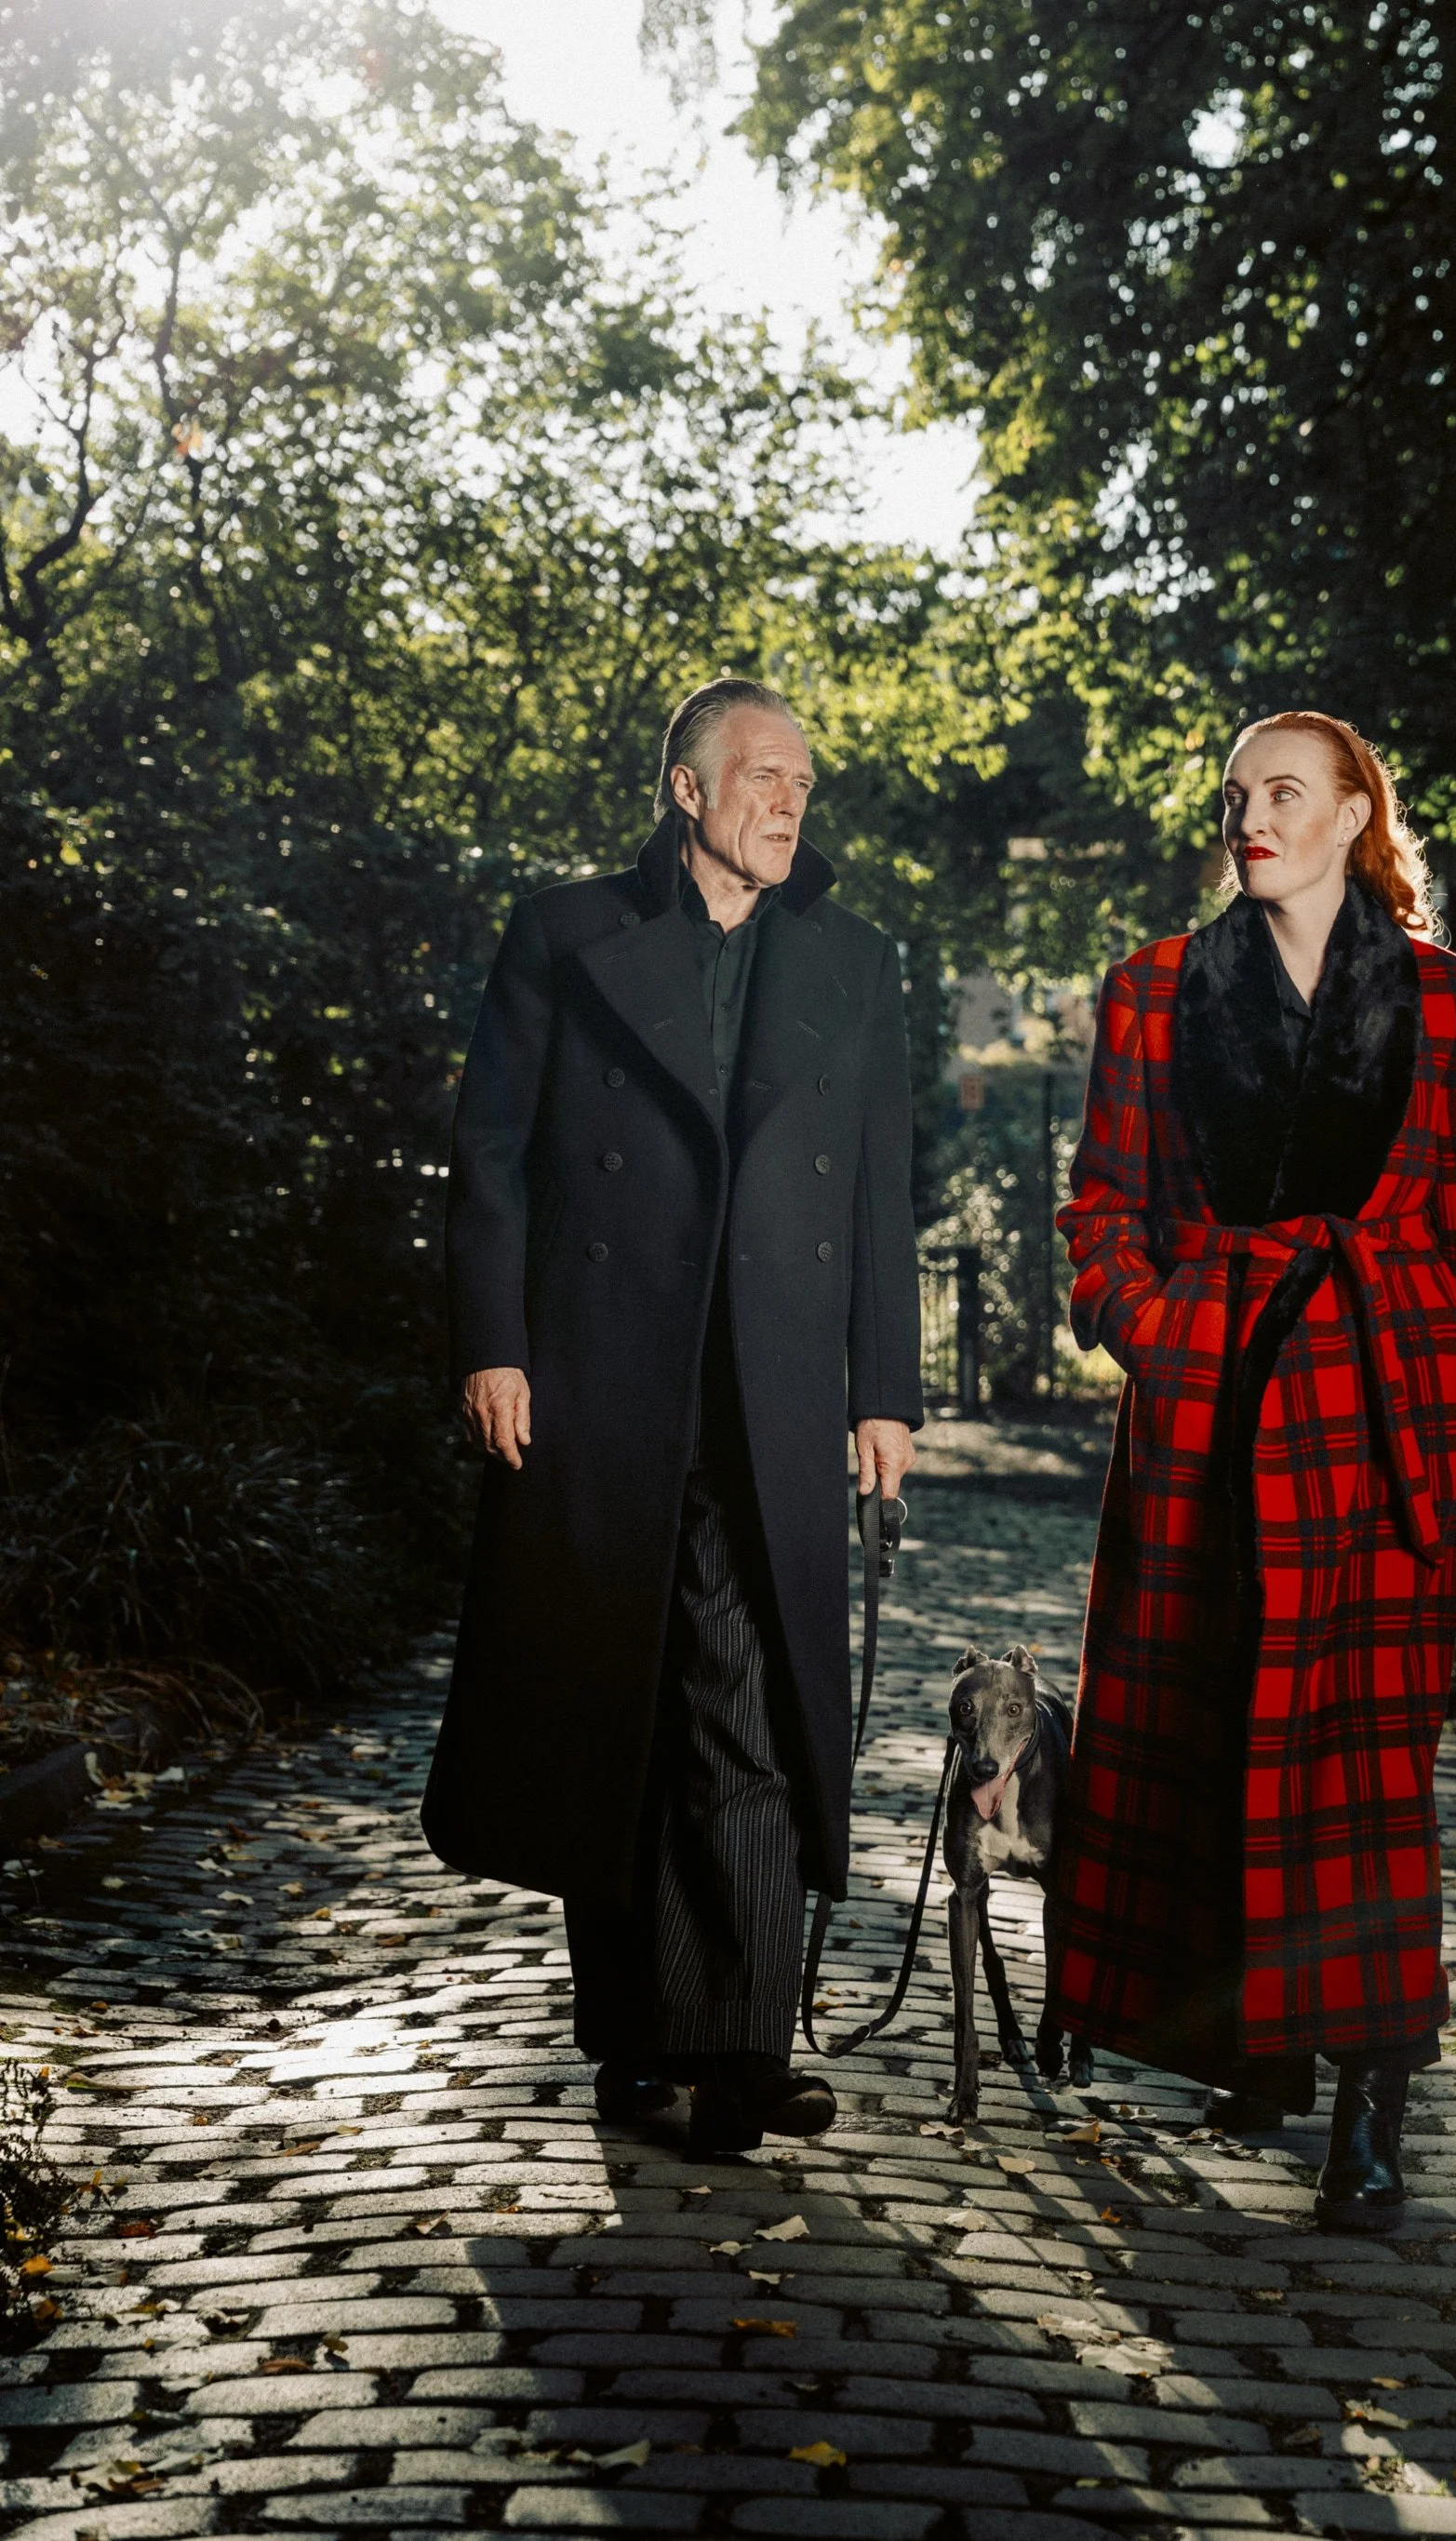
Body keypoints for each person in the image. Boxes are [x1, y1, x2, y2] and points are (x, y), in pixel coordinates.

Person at [421, 678, 921, 2156]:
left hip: (768, 1391)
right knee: (614, 1709)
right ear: (688, 790)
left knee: (747, 1702)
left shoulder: (852, 958)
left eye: (805, 782)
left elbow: (882, 1194)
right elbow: (492, 1154)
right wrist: (492, 1344)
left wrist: (883, 1388)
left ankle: (743, 2041)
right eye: (763, 774)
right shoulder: (567, 934)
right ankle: (640, 2045)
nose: (790, 801)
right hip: (597, 1379)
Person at [1051, 709, 1456, 2232]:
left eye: (1287, 793)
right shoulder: (1155, 991)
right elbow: (1102, 1211)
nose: (1253, 816)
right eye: (1240, 794)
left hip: (1386, 1420)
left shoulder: (1444, 1001)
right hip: (1214, 1412)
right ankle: (1250, 2036)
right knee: (1203, 1728)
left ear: (1353, 812)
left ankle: (1376, 2096)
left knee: (1372, 1769)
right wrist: (1162, 1323)